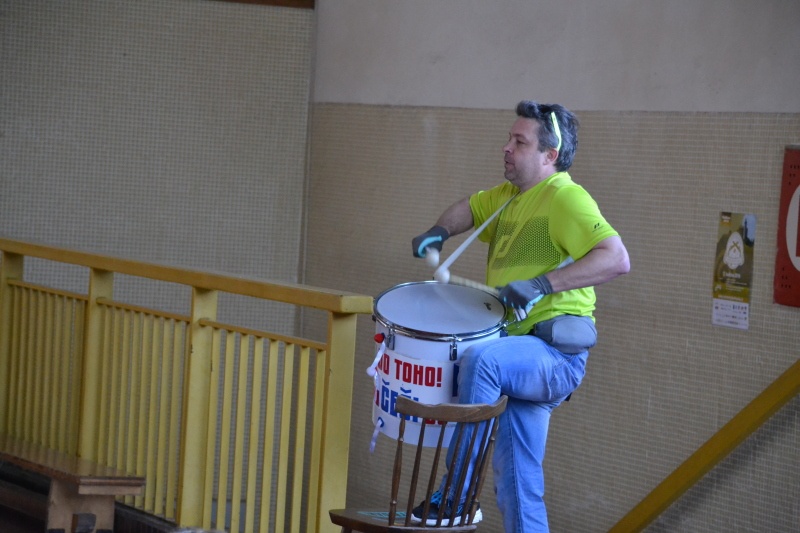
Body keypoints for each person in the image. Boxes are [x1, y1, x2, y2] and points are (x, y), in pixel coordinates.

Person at [410, 100, 630, 532]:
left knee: (481, 360)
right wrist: (439, 231)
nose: (506, 148)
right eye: (509, 139)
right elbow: (468, 209)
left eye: (520, 142)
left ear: (550, 155)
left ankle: (456, 494)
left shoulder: (566, 197)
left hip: (554, 354)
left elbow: (616, 258)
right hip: (520, 354)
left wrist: (542, 284)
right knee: (517, 486)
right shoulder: (507, 198)